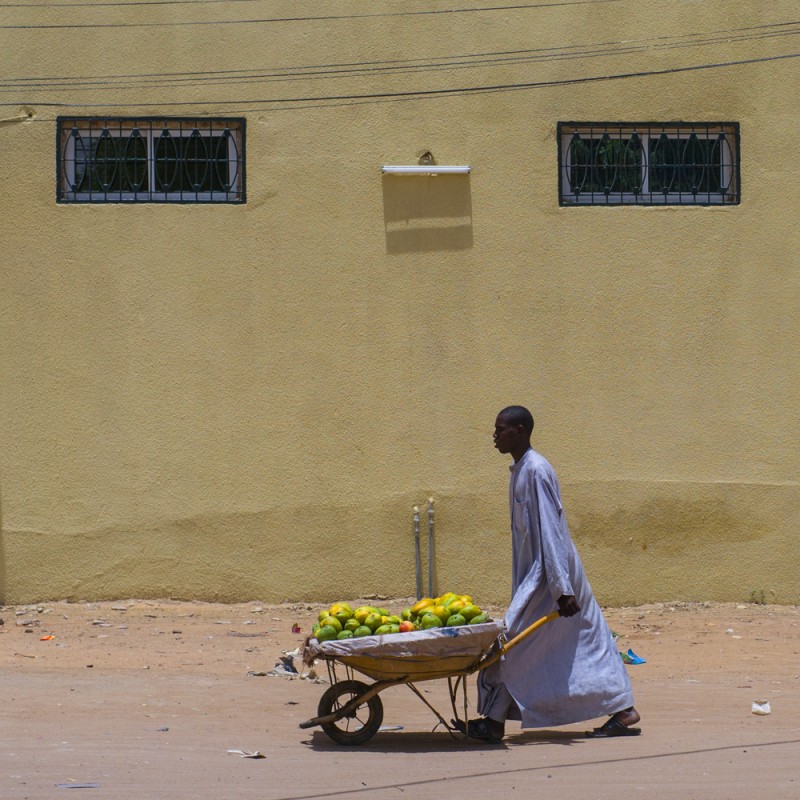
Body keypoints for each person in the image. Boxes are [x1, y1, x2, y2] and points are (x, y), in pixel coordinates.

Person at [455, 405, 641, 742]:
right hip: (543, 577)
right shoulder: (521, 470)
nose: (494, 436)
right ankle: (622, 709)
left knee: (513, 643)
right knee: (573, 641)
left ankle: (495, 722)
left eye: (501, 429)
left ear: (521, 430)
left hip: (551, 577)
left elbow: (552, 531)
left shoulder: (537, 471)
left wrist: (561, 588)